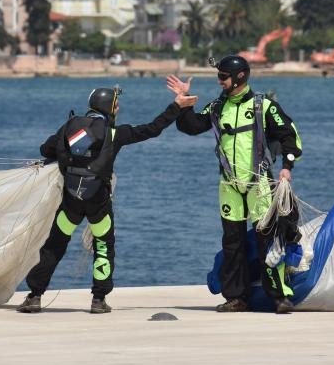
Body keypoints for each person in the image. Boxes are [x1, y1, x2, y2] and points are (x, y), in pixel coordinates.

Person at [18, 86, 197, 314]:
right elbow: (152, 129)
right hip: (98, 201)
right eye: (117, 105)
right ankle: (98, 300)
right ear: (110, 108)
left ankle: (34, 296)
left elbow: (46, 148)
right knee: (103, 246)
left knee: (54, 246)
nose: (119, 109)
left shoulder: (69, 128)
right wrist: (176, 107)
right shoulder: (115, 134)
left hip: (71, 201)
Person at [166, 55, 302, 314]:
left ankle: (279, 296)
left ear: (239, 78)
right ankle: (237, 297)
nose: (219, 82)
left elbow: (290, 136)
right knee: (232, 243)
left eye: (222, 77)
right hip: (229, 185)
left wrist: (287, 167)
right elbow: (192, 127)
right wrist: (184, 105)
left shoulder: (264, 106)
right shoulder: (217, 107)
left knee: (268, 241)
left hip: (259, 183)